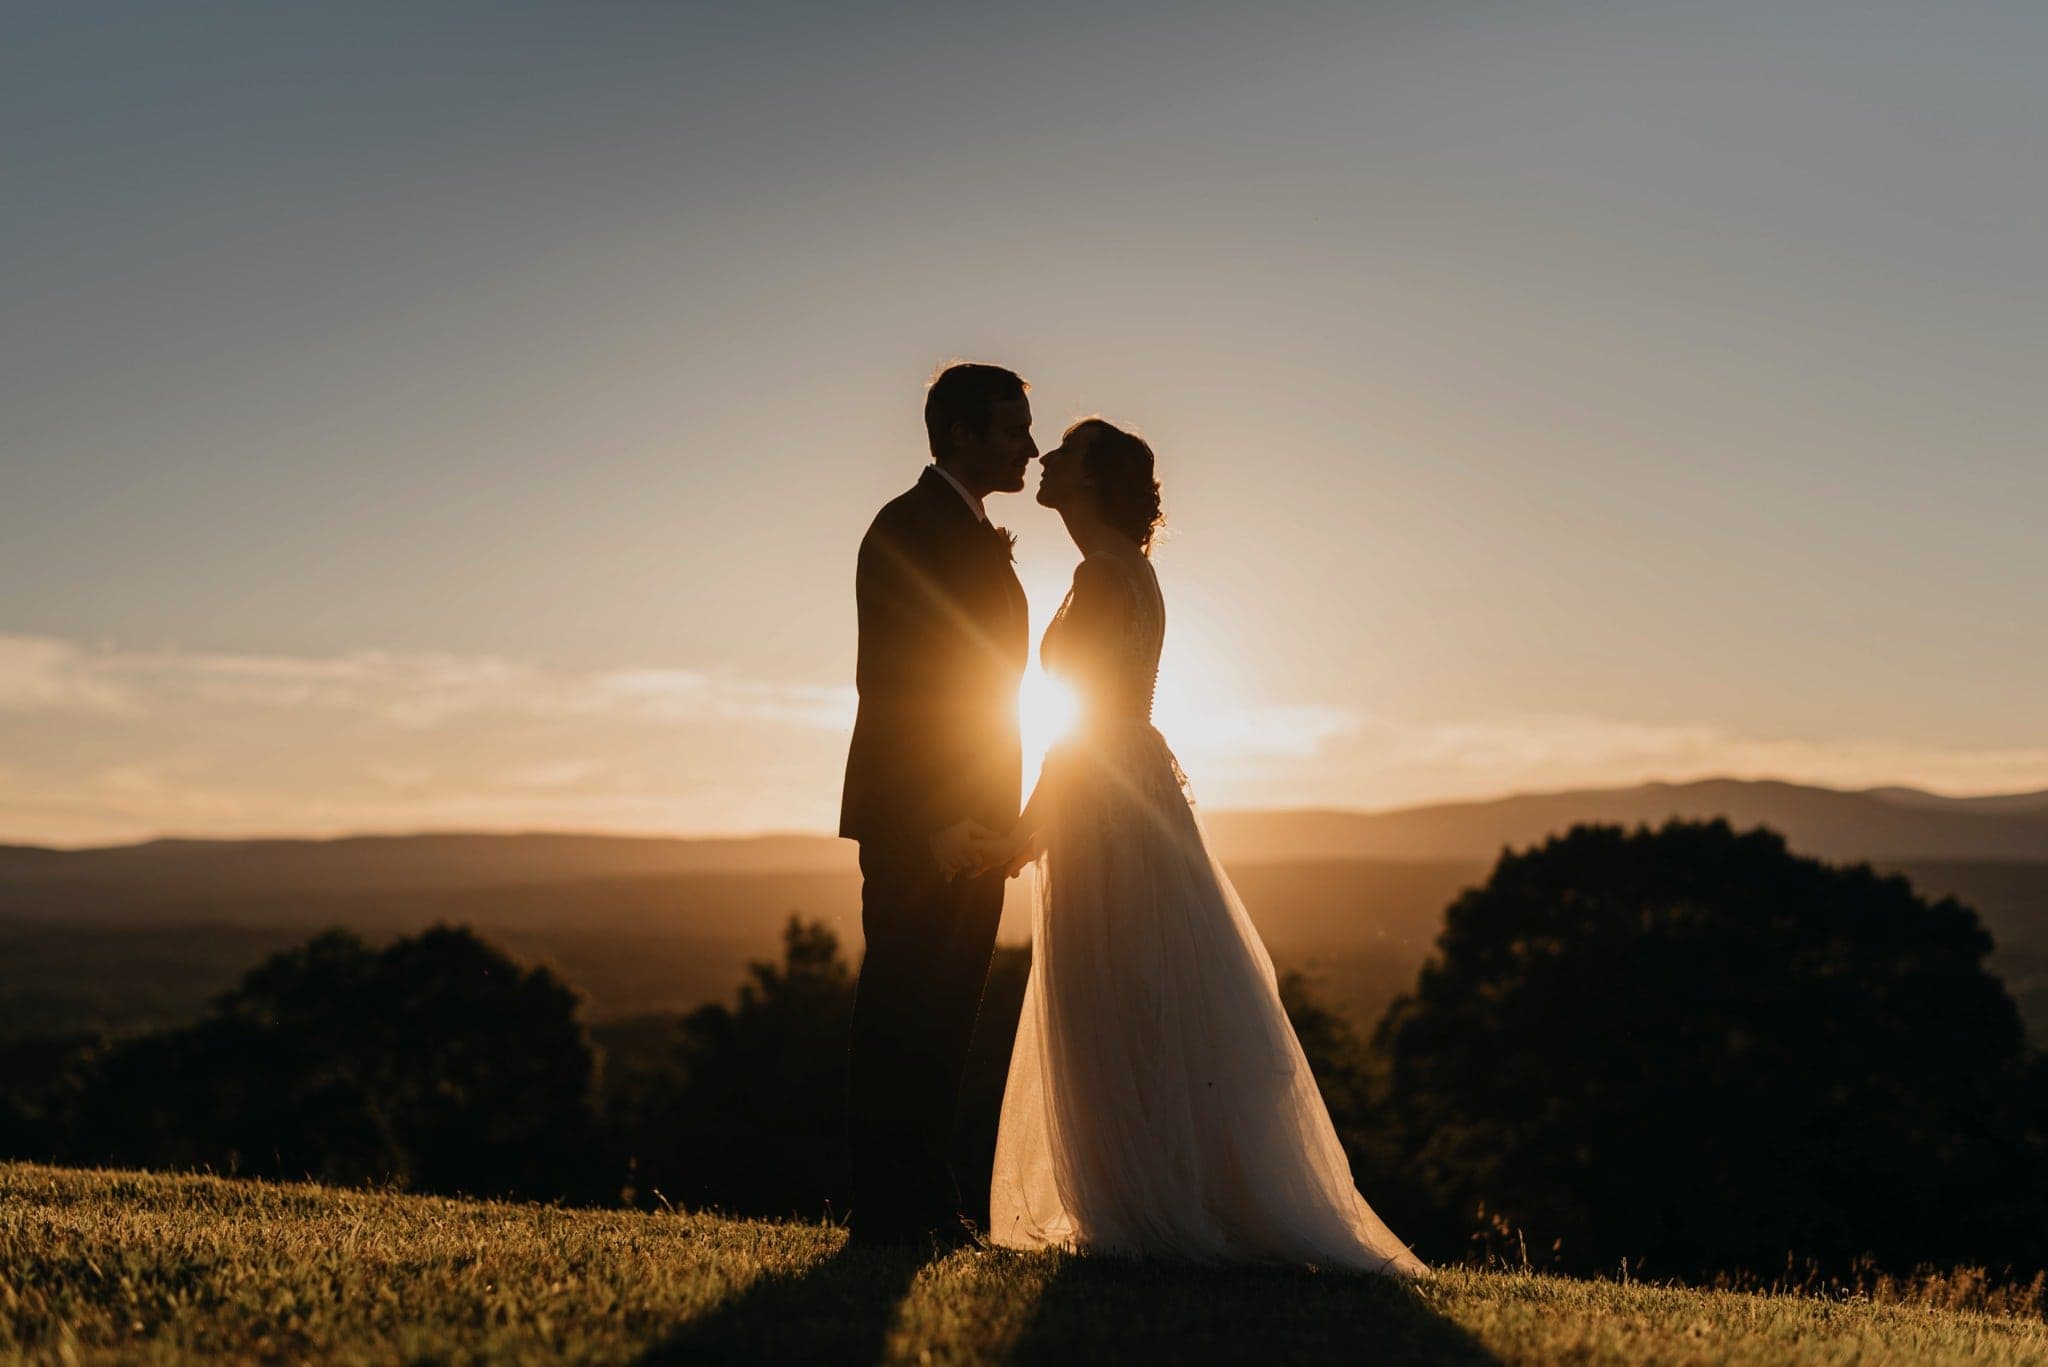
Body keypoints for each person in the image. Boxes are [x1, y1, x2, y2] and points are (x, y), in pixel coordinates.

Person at [971, 418, 1428, 1276]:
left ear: (1095, 480)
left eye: (1064, 454)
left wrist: (1026, 827)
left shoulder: (1103, 577)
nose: (1044, 460)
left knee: (1107, 992)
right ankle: (1152, 1193)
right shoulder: (1124, 572)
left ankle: (1141, 1204)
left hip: (1104, 797)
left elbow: (1084, 724)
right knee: (1135, 992)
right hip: (1123, 789)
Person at [838, 362, 1036, 1244]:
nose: (1028, 445)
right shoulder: (908, 526)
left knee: (950, 1010)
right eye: (1010, 429)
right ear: (961, 434)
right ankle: (886, 1204)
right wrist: (930, 818)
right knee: (902, 1003)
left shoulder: (972, 528)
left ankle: (925, 1199)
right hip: (925, 818)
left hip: (978, 817)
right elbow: (896, 683)